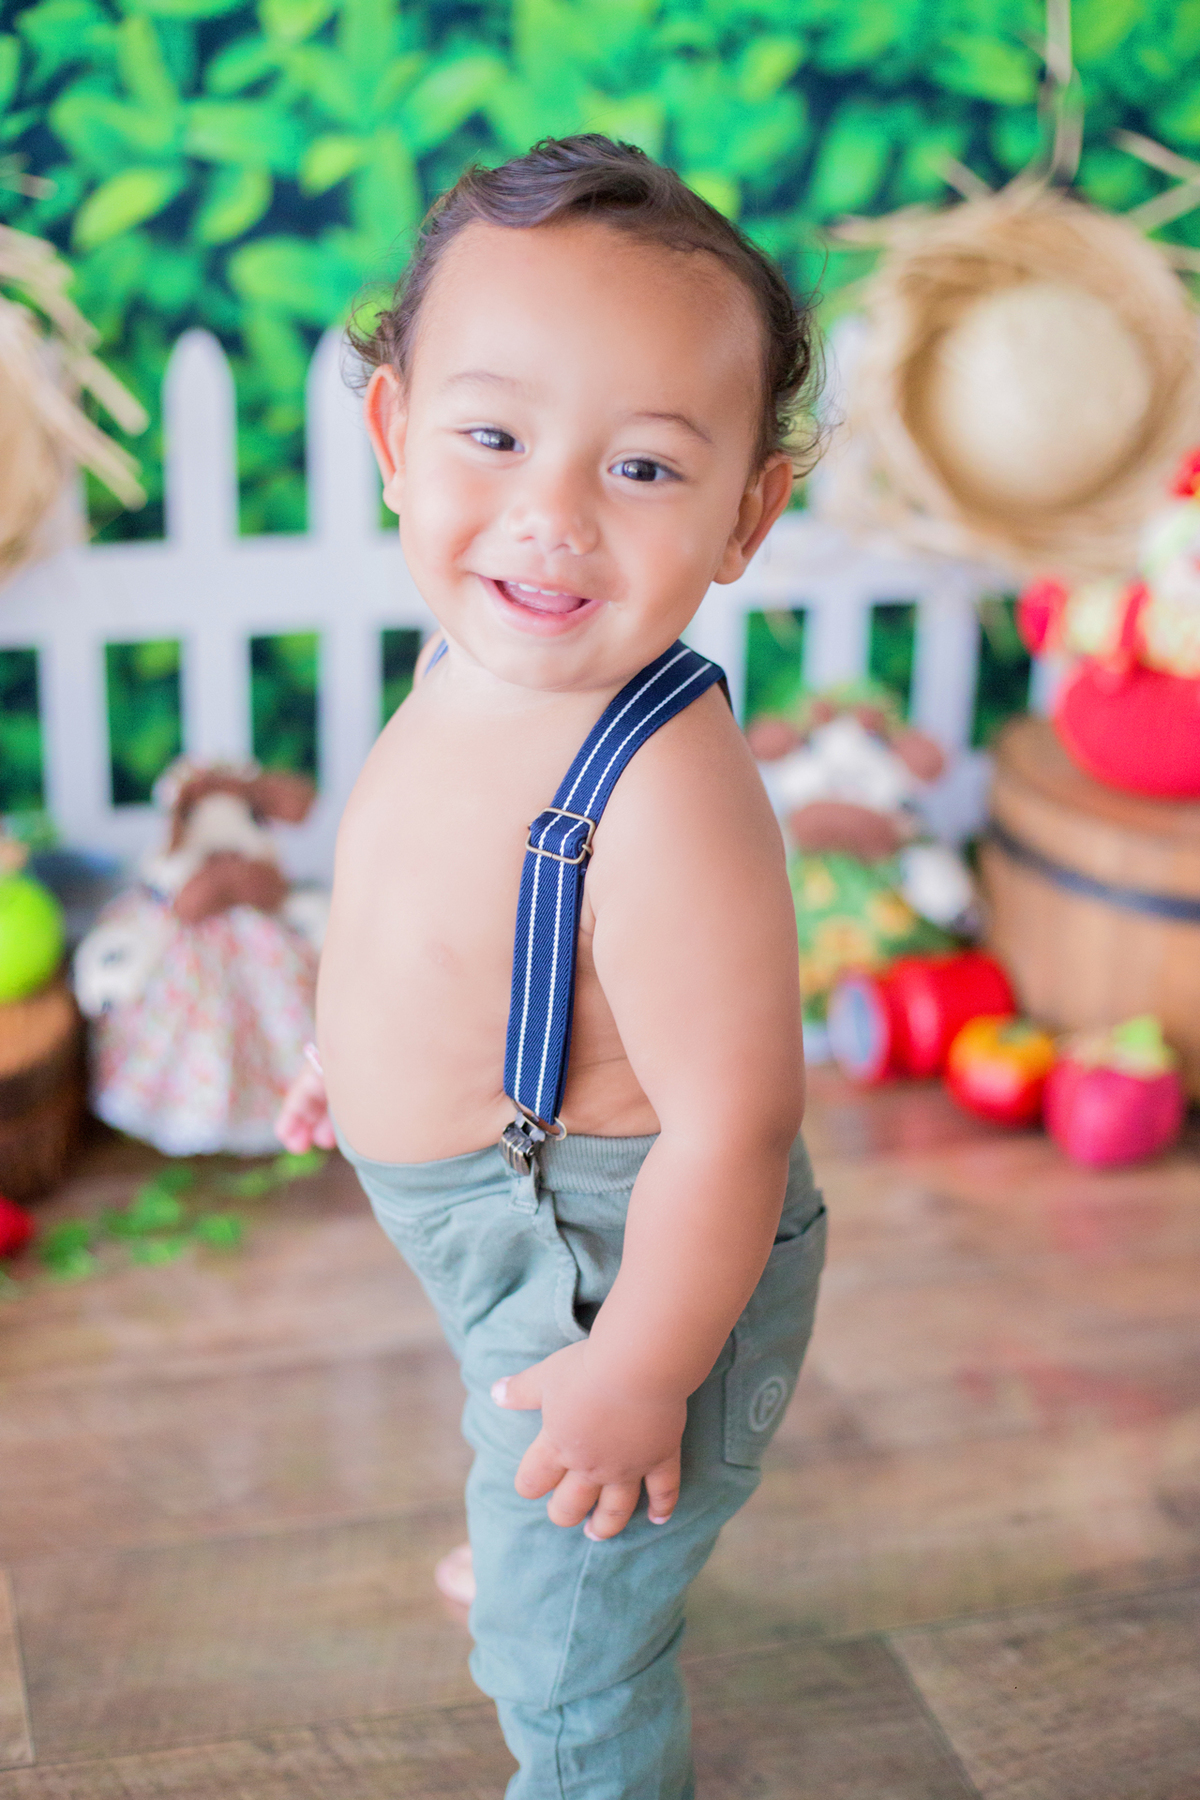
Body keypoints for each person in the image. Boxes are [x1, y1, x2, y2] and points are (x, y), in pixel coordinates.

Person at [276, 134, 826, 1800]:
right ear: (391, 436)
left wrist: (641, 1371)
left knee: (566, 1651)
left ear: (747, 513)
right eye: (495, 435)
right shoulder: (480, 648)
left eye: (645, 470)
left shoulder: (664, 788)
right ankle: (544, 1515)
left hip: (621, 1249)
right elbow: (420, 901)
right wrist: (351, 1051)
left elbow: (732, 1127)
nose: (551, 516)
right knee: (510, 1405)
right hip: (494, 1224)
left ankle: (570, 1656)